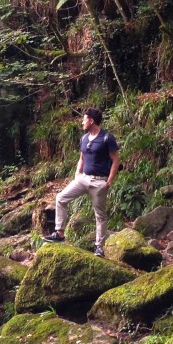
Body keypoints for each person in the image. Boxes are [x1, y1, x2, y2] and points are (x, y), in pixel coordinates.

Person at [43, 107, 120, 257]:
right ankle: (59, 233)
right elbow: (82, 158)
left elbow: (116, 160)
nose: (82, 122)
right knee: (60, 198)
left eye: (84, 119)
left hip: (99, 182)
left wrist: (109, 182)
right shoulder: (84, 138)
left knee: (100, 215)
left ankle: (99, 247)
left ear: (91, 121)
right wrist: (77, 174)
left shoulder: (107, 138)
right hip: (83, 179)